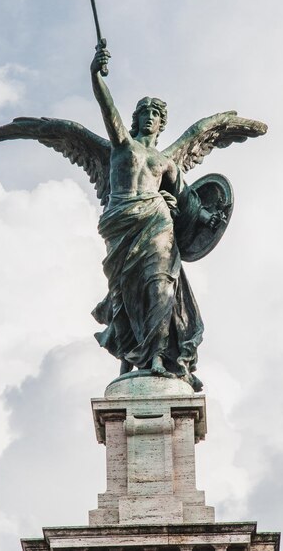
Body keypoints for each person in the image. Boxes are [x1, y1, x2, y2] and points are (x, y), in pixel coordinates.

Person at [91, 47, 218, 391]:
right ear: (135, 120)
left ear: (162, 124)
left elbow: (189, 200)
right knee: (126, 294)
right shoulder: (122, 146)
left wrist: (208, 218)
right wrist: (96, 75)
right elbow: (108, 108)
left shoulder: (167, 162)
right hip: (122, 224)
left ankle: (160, 356)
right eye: (144, 112)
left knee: (161, 287)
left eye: (155, 114)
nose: (149, 116)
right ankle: (134, 356)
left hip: (158, 224)